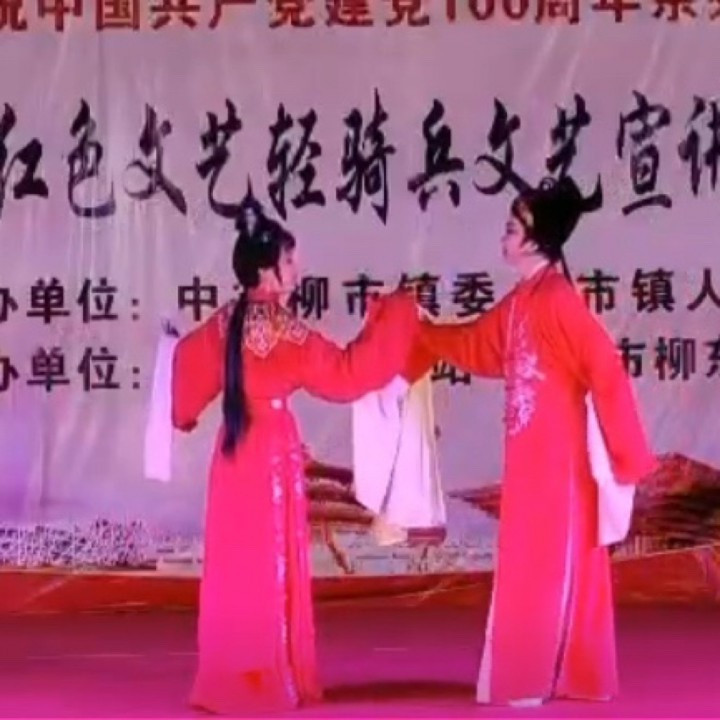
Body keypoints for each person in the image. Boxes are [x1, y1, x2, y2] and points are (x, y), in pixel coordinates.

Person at [143, 189, 419, 715]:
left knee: (235, 565)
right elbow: (347, 373)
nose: (298, 269)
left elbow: (183, 386)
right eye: (290, 261)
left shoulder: (224, 322)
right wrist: (396, 317)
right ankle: (269, 676)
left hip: (233, 452)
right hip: (271, 451)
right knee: (269, 563)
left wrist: (170, 349)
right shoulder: (285, 331)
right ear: (266, 271)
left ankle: (230, 675)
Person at [411, 176, 657, 706]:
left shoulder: (559, 299)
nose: (503, 236)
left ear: (533, 240)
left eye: (510, 228)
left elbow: (606, 370)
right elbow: (478, 343)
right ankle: (558, 673)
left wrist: (626, 454)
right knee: (535, 560)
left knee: (547, 562)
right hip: (530, 457)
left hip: (560, 461)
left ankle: (534, 675)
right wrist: (424, 331)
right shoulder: (525, 298)